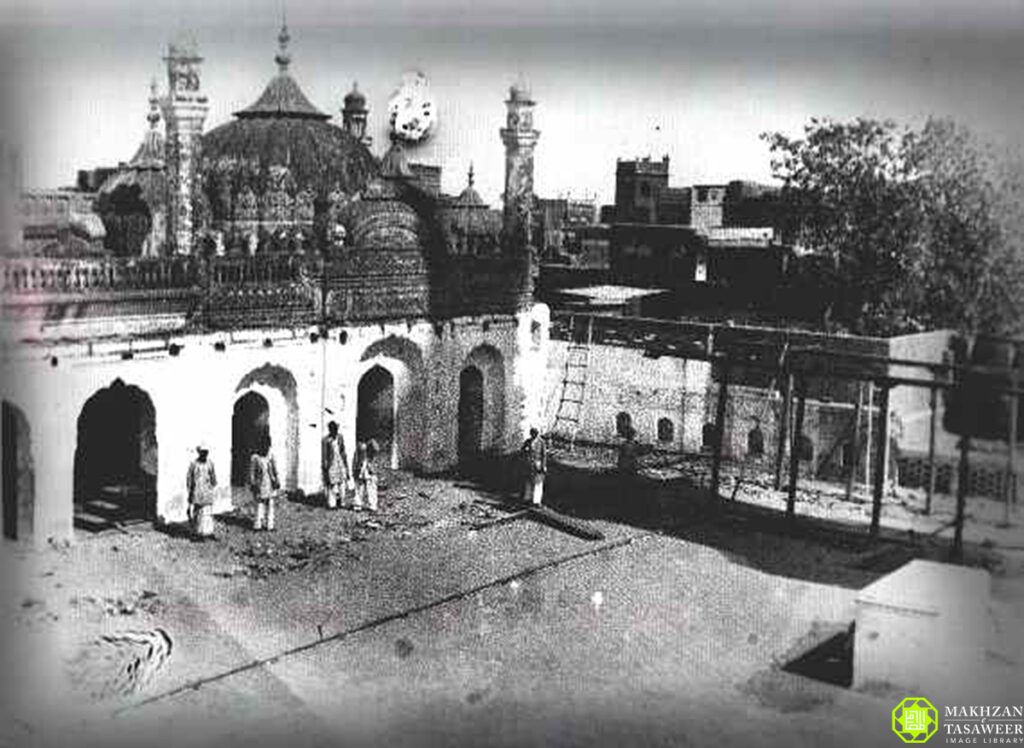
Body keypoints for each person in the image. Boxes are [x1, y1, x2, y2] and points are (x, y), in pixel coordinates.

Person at [186, 443, 218, 540]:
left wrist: (212, 484)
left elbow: (213, 476)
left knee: (208, 513)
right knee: (198, 514)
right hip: (197, 492)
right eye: (203, 452)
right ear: (199, 453)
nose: (205, 454)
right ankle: (197, 533)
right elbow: (189, 479)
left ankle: (208, 532)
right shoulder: (194, 464)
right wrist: (190, 491)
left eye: (206, 452)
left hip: (207, 491)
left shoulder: (210, 463)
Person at [249, 434, 280, 531]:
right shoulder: (255, 458)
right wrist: (253, 483)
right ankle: (258, 524)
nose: (265, 447)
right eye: (263, 445)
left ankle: (269, 525)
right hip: (260, 484)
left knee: (270, 504)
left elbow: (275, 469)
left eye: (267, 445)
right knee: (259, 504)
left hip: (270, 483)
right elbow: (252, 472)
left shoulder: (271, 456)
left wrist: (277, 480)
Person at [321, 421, 350, 510]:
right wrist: (325, 466)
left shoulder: (340, 437)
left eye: (336, 429)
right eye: (333, 429)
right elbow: (325, 454)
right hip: (331, 463)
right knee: (332, 483)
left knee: (342, 482)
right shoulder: (326, 440)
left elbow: (343, 451)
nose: (335, 431)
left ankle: (342, 501)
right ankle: (332, 503)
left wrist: (345, 464)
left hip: (339, 461)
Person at [521, 427, 547, 506]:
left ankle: (536, 501)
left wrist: (544, 465)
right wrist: (525, 451)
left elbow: (544, 455)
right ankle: (527, 498)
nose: (533, 435)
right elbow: (522, 450)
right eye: (532, 433)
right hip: (529, 464)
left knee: (538, 482)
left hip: (538, 463)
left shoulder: (541, 442)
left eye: (535, 433)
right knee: (528, 481)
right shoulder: (527, 441)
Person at [352, 439, 379, 512]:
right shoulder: (360, 447)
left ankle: (372, 505)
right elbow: (356, 460)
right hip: (361, 469)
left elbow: (375, 455)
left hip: (369, 470)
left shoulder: (373, 445)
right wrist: (355, 470)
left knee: (371, 487)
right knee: (359, 488)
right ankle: (358, 505)